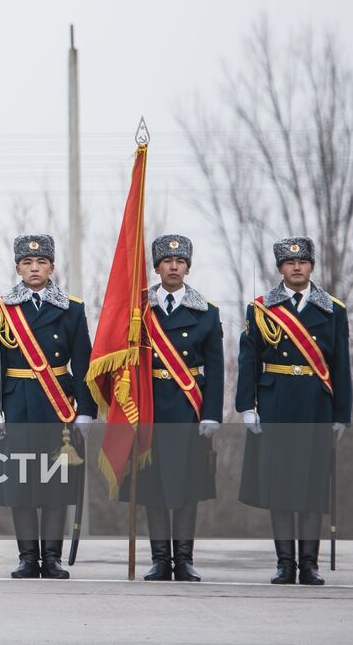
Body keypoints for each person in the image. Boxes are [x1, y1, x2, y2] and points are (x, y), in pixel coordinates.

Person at [237, 237, 351, 585]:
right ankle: (285, 563)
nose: (296, 267)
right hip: (277, 403)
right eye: (289, 263)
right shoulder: (260, 308)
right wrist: (246, 406)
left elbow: (340, 364)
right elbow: (249, 360)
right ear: (280, 269)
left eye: (302, 262)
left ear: (312, 266)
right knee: (281, 485)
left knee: (312, 485)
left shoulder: (332, 309)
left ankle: (310, 564)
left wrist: (340, 413)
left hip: (316, 404)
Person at [0, 234, 94, 580]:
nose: (34, 268)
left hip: (57, 404)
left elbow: (83, 361)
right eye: (27, 263)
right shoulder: (3, 308)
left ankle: (52, 557)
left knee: (56, 484)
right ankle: (28, 556)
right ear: (18, 268)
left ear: (52, 267)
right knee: (21, 483)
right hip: (17, 404)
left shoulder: (71, 308)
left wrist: (86, 409)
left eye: (41, 262)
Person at [126, 234, 222, 582]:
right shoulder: (138, 310)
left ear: (188, 267)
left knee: (186, 488)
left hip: (188, 408)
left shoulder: (206, 313)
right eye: (167, 261)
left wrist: (211, 413)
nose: (174, 266)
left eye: (180, 262)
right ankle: (159, 559)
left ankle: (183, 559)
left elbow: (215, 367)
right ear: (156, 267)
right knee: (152, 488)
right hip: (150, 407)